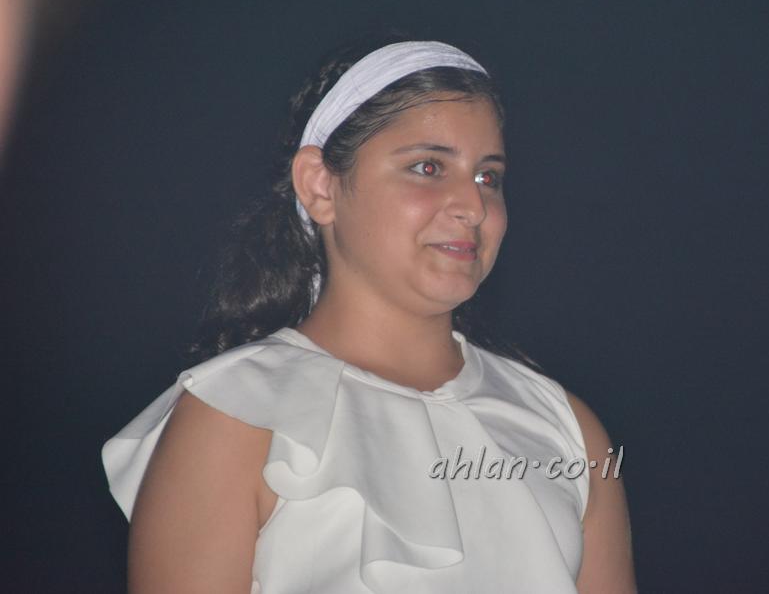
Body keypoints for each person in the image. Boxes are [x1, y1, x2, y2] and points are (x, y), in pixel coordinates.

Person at [101, 38, 637, 593]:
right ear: (320, 186)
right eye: (428, 167)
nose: (473, 207)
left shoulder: (568, 429)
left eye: (488, 177)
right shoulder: (235, 415)